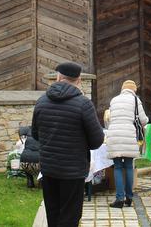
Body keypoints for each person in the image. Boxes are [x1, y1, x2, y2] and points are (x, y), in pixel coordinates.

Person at [32, 62, 104, 227]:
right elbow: (97, 140)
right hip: (73, 172)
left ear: (58, 77)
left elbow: (35, 134)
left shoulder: (42, 102)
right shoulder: (84, 104)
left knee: (53, 215)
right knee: (70, 217)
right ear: (78, 80)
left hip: (49, 168)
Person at [106, 80, 148, 208]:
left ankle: (119, 199)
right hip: (128, 135)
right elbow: (144, 120)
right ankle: (129, 197)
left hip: (114, 134)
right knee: (129, 166)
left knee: (118, 167)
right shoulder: (136, 100)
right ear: (133, 90)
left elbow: (110, 118)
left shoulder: (113, 100)